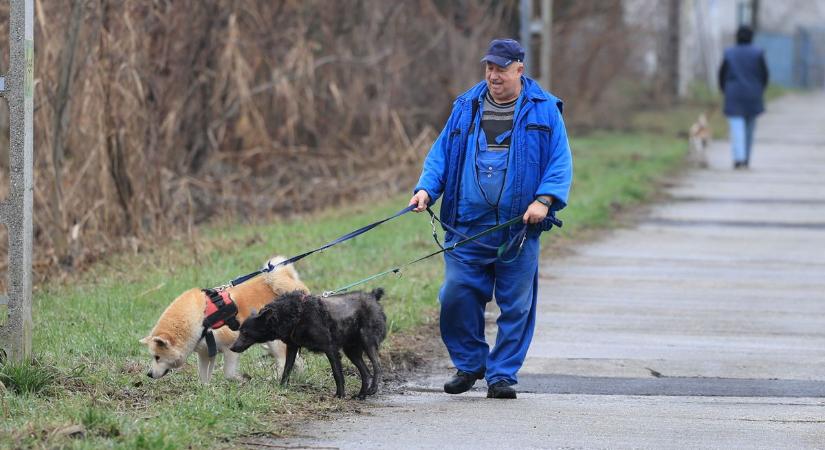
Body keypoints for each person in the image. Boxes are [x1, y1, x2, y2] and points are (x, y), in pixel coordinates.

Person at [408, 38, 573, 399]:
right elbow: (440, 155)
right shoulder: (466, 106)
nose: (493, 75)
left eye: (501, 68)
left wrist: (544, 200)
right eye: (489, 68)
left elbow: (560, 162)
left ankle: (502, 375)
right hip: (465, 225)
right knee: (455, 295)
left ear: (519, 69)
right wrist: (425, 189)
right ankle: (470, 364)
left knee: (516, 306)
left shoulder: (545, 110)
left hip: (519, 229)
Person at [718, 25, 769, 169]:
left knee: (736, 129)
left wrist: (724, 90)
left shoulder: (729, 53)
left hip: (733, 95)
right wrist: (760, 90)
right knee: (749, 130)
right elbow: (764, 75)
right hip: (753, 95)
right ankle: (746, 158)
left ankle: (738, 158)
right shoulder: (758, 53)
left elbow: (722, 74)